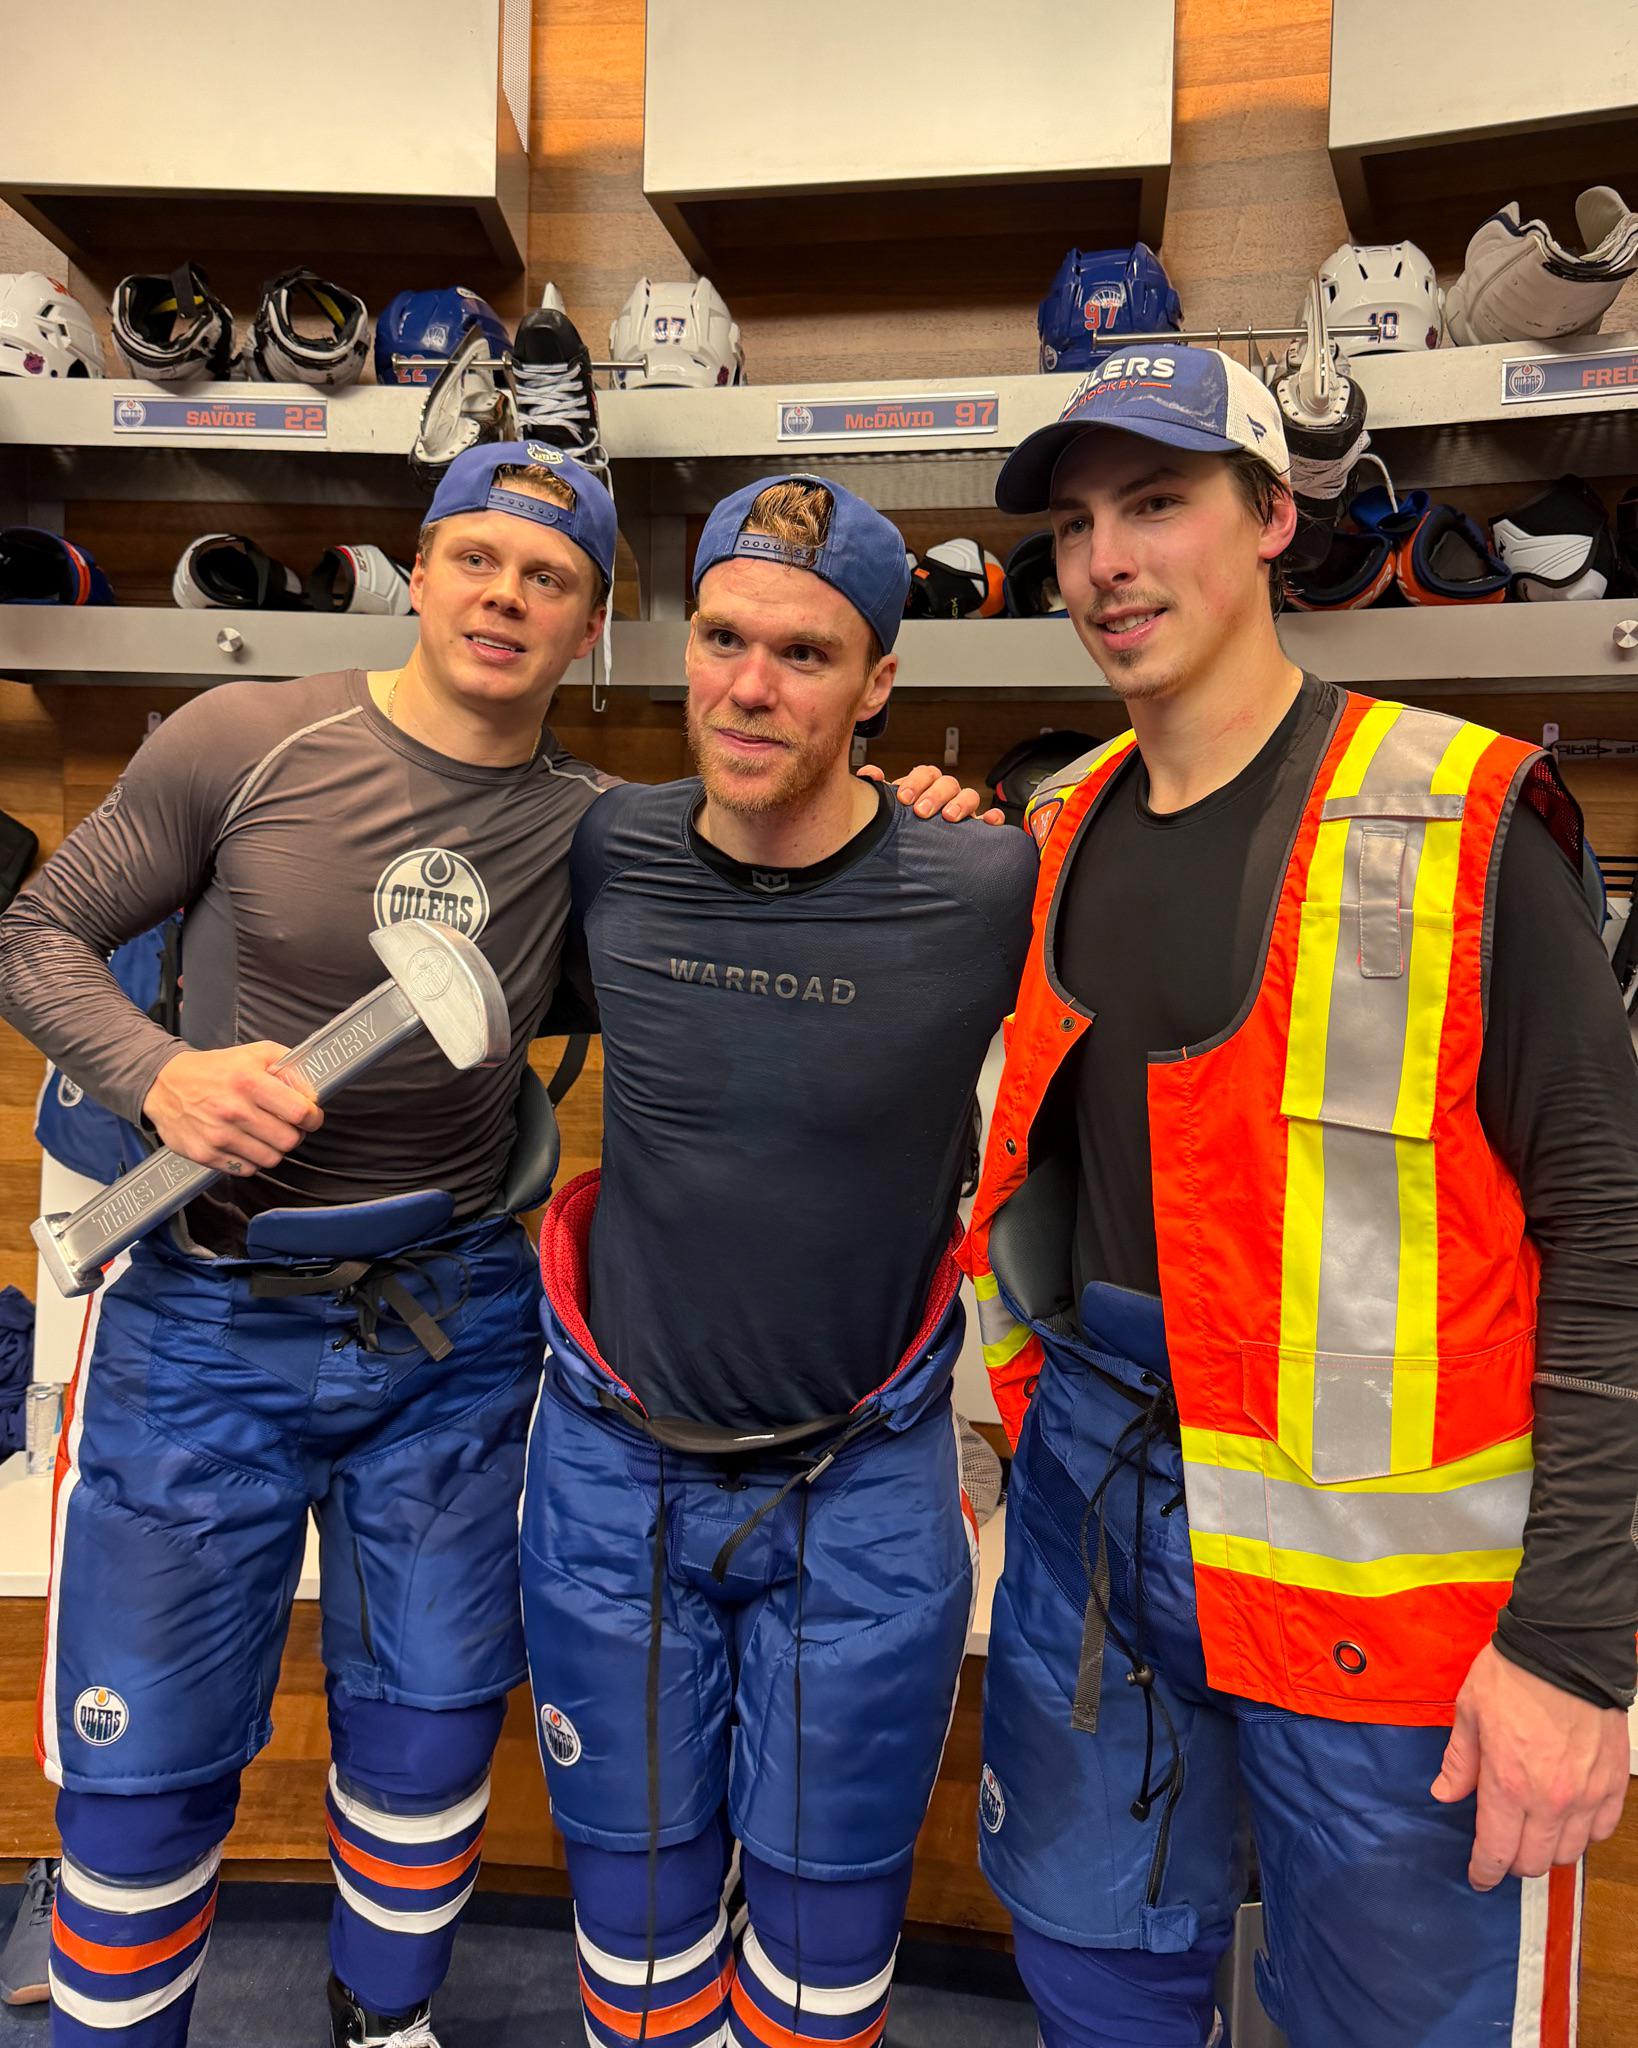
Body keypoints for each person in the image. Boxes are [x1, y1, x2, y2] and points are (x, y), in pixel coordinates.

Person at [0, 439, 983, 2048]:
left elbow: (792, 885)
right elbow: (34, 935)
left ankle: (380, 2026)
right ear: (419, 568)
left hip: (451, 1332)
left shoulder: (600, 835)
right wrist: (156, 1072)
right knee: (141, 1776)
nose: (504, 597)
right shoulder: (240, 739)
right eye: (476, 558)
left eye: (550, 579)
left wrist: (917, 810)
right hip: (203, 1323)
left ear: (591, 628)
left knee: (428, 1741)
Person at [959, 350, 1638, 2047]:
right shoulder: (1055, 827)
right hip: (1096, 1533)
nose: (1106, 562)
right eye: (1072, 526)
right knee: (1093, 1981)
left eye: (1156, 504)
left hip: (1390, 1613)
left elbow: (1611, 1232)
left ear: (1271, 516)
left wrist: (1574, 1644)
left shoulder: (1456, 818)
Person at [519, 473, 1039, 2048]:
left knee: (824, 1935)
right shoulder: (611, 845)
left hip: (859, 1481)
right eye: (723, 639)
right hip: (616, 1468)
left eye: (804, 654)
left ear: (879, 685)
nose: (748, 687)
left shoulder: (986, 884)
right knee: (636, 1920)